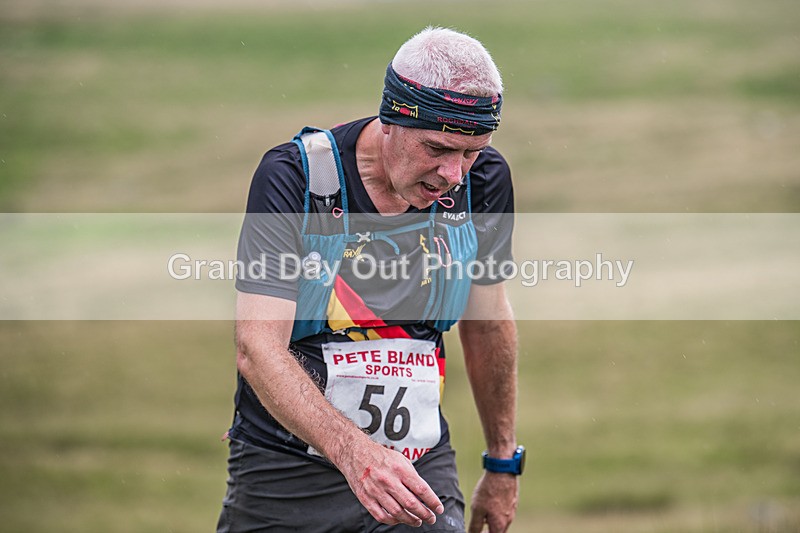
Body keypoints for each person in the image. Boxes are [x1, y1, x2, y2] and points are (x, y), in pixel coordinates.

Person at [218, 27, 522, 533]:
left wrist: (502, 461)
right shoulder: (294, 178)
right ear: (391, 119)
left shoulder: (484, 182)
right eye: (437, 149)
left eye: (471, 152)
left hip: (416, 470)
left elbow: (488, 324)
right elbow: (257, 346)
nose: (454, 174)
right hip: (284, 475)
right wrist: (356, 454)